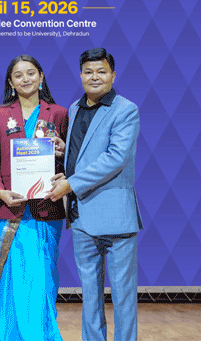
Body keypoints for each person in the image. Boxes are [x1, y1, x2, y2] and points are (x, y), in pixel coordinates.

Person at [47, 47, 143, 341]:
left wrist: (70, 184)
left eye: (101, 71)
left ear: (113, 75)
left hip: (115, 218)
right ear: (81, 76)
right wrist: (64, 153)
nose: (95, 77)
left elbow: (115, 158)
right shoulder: (75, 108)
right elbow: (85, 152)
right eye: (88, 72)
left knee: (123, 296)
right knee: (89, 296)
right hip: (82, 217)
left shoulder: (126, 109)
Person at [0, 55, 68, 341]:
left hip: (46, 210)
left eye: (31, 73)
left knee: (42, 279)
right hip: (10, 211)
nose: (25, 79)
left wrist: (63, 153)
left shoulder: (59, 113)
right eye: (18, 75)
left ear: (41, 77)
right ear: (11, 82)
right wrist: (0, 192)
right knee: (12, 279)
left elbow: (71, 161)